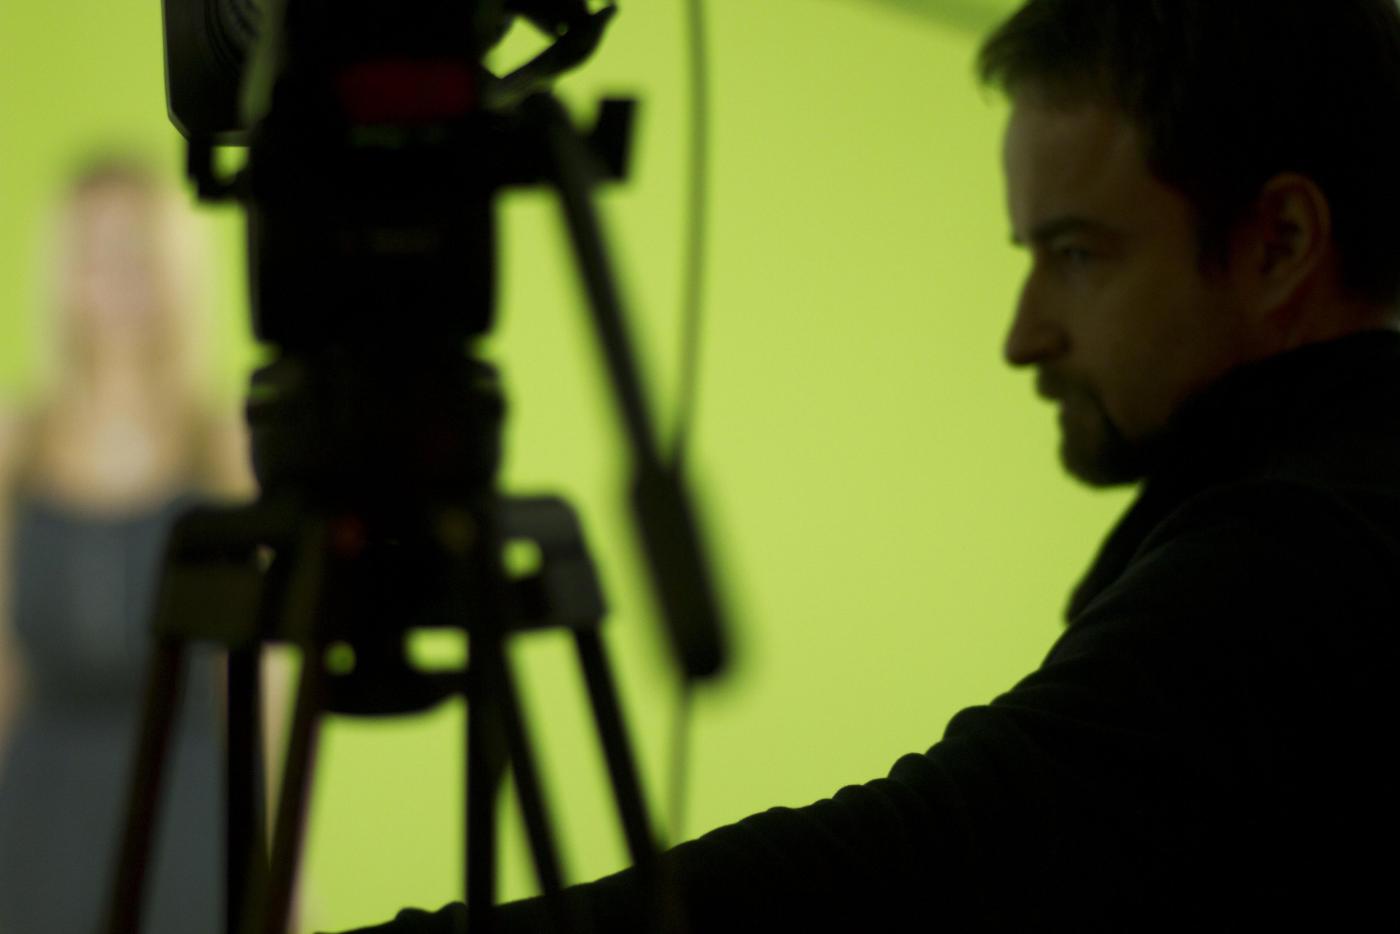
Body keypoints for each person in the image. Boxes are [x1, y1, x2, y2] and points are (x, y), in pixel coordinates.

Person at [332, 1, 1400, 930]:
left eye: (1076, 254)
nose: (1023, 336)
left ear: (1278, 242)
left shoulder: (1299, 559)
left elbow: (922, 870)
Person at [0, 159, 262, 932]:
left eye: (136, 252)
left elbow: (257, 684)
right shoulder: (16, 446)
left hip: (190, 806)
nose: (117, 279)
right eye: (97, 253)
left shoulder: (222, 449)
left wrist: (281, 859)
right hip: (39, 815)